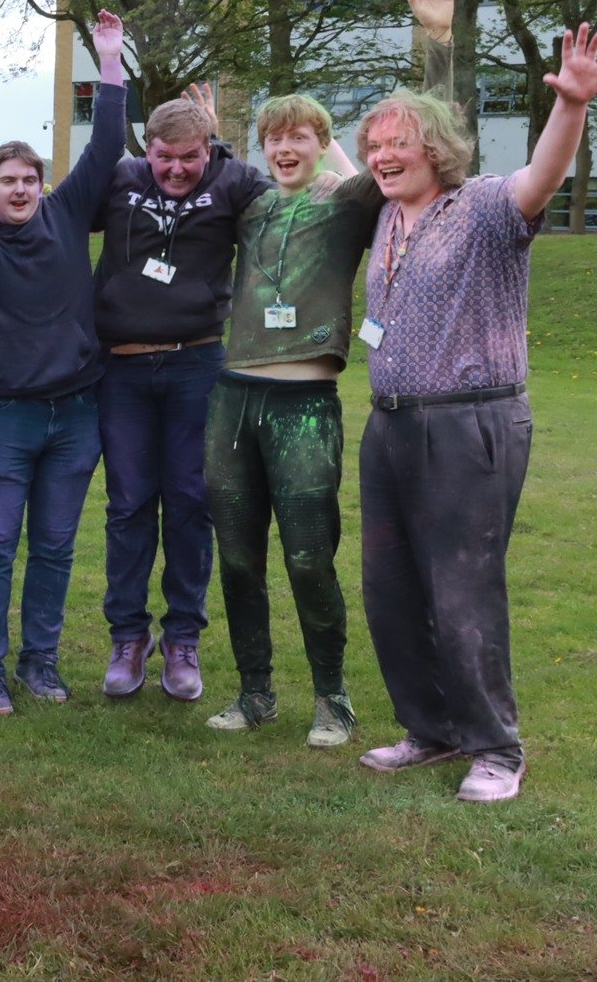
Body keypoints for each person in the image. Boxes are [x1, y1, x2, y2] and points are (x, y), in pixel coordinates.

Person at [354, 0, 597, 804]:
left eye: (399, 144)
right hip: (389, 422)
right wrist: (426, 39)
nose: (383, 155)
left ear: (438, 150)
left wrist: (570, 104)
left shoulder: (489, 208)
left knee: (463, 583)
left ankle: (496, 746)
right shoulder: (388, 214)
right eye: (374, 145)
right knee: (390, 584)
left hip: (470, 425)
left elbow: (544, 172)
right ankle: (429, 729)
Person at [200, 79, 381, 747]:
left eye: (298, 135)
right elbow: (217, 172)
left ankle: (332, 698)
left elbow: (391, 167)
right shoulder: (252, 209)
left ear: (321, 142)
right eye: (274, 137)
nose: (283, 147)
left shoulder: (346, 205)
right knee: (239, 558)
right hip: (233, 400)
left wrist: (440, 38)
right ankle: (255, 693)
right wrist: (215, 131)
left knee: (308, 556)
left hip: (305, 405)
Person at [0, 12, 128, 716]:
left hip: (75, 415)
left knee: (55, 547)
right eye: (7, 181)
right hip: (1, 418)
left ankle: (41, 663)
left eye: (30, 178)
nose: (21, 189)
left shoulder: (67, 209)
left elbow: (110, 141)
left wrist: (110, 60)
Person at [91, 56, 270, 702]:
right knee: (129, 504)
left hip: (198, 363)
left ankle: (183, 638)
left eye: (189, 157)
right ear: (148, 146)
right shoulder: (121, 179)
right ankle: (127, 635)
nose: (174, 169)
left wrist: (220, 148)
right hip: (124, 368)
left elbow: (294, 198)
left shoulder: (231, 181)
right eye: (164, 156)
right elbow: (53, 219)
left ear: (208, 148)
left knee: (192, 503)